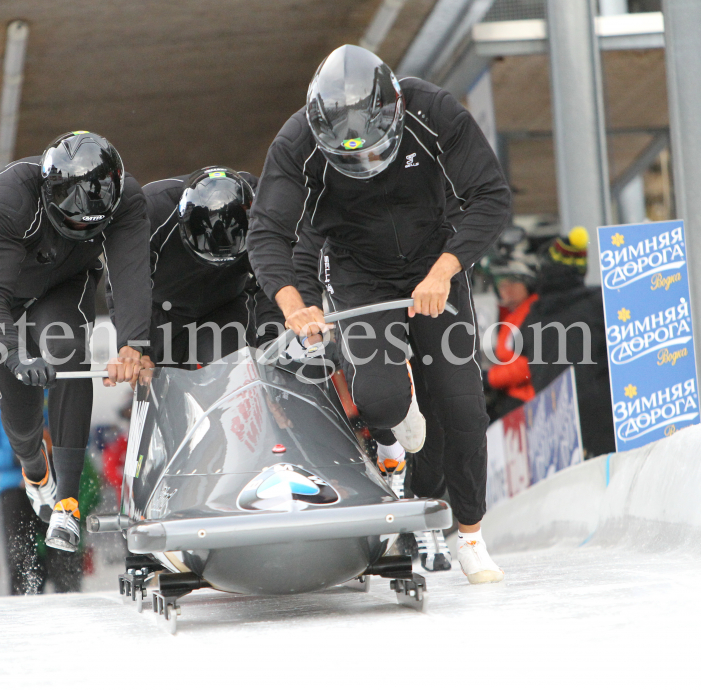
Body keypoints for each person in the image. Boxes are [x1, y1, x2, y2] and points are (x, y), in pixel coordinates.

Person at [247, 45, 510, 584]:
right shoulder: (295, 143)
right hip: (358, 272)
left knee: (460, 405)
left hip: (433, 266)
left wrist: (444, 270)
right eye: (350, 158)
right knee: (382, 400)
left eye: (372, 152)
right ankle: (404, 403)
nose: (363, 166)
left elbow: (490, 195)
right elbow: (268, 232)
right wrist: (295, 307)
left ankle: (470, 533)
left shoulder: (434, 112)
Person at [0, 131, 153, 553]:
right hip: (7, 296)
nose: (76, 230)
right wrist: (14, 355)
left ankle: (67, 504)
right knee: (21, 417)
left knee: (66, 351)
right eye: (69, 221)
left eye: (86, 226)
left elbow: (130, 277)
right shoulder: (9, 198)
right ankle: (36, 472)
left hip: (64, 285)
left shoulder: (126, 200)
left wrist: (133, 345)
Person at [139, 166, 323, 367]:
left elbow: (275, 274)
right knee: (156, 382)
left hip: (223, 306)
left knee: (229, 373)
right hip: (160, 312)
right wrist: (136, 345)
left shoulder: (264, 205)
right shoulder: (152, 210)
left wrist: (269, 342)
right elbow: (125, 284)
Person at [0, 393, 98, 594]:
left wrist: (54, 442)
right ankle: (25, 608)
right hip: (15, 487)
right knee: (21, 555)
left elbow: (82, 435)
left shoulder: (58, 393)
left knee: (63, 548)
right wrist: (17, 459)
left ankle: (71, 604)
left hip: (57, 480)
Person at [521, 228, 615, 457]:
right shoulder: (601, 304)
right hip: (605, 427)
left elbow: (517, 351)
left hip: (558, 435)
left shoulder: (533, 317)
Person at [483, 251, 539, 421]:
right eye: (501, 282)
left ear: (528, 283)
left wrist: (490, 378)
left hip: (529, 399)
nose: (504, 288)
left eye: (512, 282)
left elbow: (529, 365)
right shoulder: (514, 315)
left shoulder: (535, 313)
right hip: (513, 395)